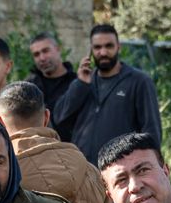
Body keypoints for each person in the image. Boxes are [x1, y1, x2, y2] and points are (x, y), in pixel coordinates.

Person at [54, 24, 164, 165]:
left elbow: (151, 131)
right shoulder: (84, 81)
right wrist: (80, 84)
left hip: (120, 168)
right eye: (97, 47)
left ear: (118, 47)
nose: (103, 52)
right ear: (91, 50)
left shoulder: (139, 81)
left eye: (109, 46)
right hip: (82, 169)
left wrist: (148, 167)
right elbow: (59, 117)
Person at [25, 33, 78, 115]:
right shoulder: (29, 86)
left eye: (45, 51)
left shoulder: (76, 83)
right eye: (36, 54)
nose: (42, 58)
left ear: (58, 49)